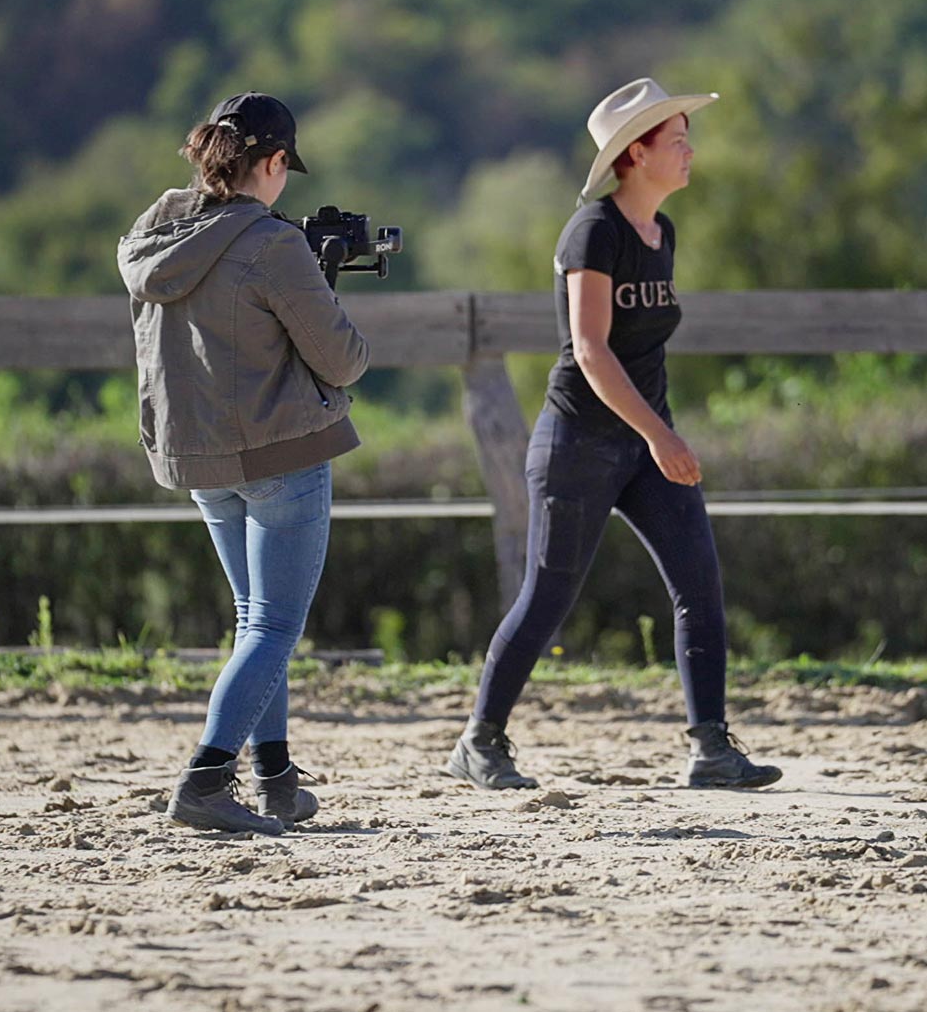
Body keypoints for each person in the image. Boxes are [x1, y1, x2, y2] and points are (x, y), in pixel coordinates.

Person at [448, 78, 782, 792]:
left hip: (641, 442)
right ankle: (480, 739)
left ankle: (711, 747)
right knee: (547, 595)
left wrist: (654, 438)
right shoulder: (592, 232)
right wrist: (662, 435)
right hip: (577, 443)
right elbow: (591, 350)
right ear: (635, 152)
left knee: (700, 585)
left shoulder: (663, 232)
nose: (690, 149)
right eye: (677, 138)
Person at [118, 92, 369, 835]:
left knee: (254, 620)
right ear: (272, 161)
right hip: (279, 452)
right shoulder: (274, 244)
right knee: (274, 625)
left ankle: (276, 777)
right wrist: (320, 283)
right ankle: (204, 778)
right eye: (285, 165)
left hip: (198, 457)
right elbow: (343, 360)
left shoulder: (155, 230)